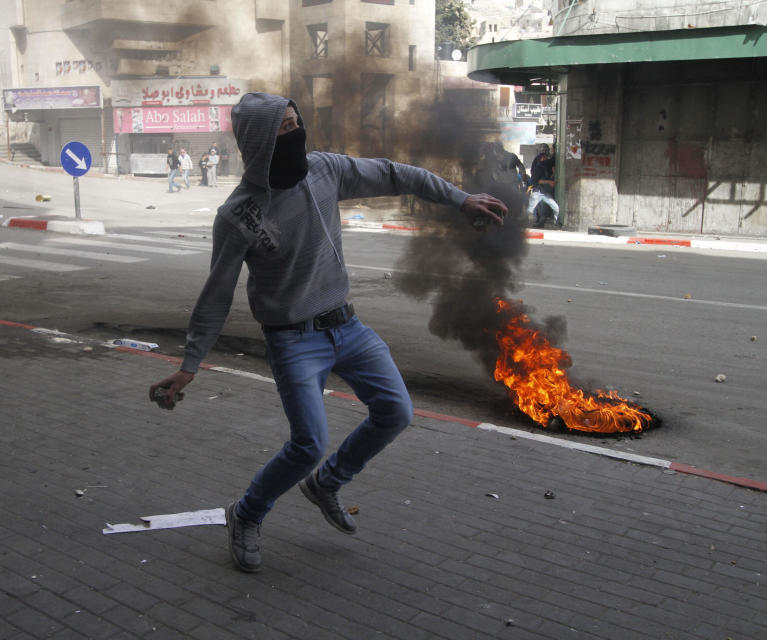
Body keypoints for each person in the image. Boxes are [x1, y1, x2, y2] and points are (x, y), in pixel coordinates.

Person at [149, 92, 507, 574]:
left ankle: (327, 483)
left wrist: (460, 198)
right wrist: (190, 364)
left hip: (347, 325)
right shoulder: (237, 215)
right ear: (256, 141)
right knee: (308, 444)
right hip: (293, 340)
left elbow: (398, 173)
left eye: (296, 123)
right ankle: (247, 514)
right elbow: (216, 293)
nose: (294, 134)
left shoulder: (325, 170)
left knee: (395, 411)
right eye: (281, 128)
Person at [526, 145, 559, 228]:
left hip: (544, 193)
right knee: (530, 210)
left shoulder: (543, 167)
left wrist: (552, 175)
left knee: (556, 208)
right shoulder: (538, 168)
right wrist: (549, 182)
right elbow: (538, 181)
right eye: (545, 157)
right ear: (541, 158)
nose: (546, 159)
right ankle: (522, 223)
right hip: (537, 192)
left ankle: (555, 223)